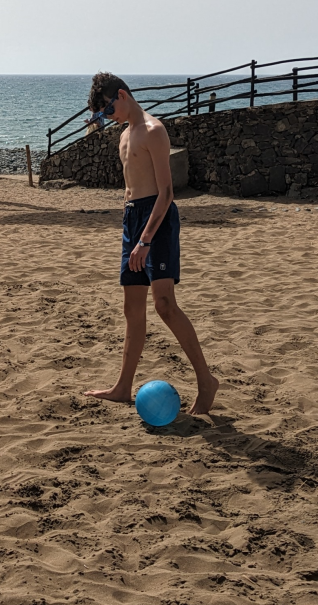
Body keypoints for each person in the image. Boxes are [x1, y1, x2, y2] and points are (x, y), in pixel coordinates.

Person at [83, 72, 219, 416]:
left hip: (156, 220)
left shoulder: (154, 130)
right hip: (132, 217)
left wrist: (145, 240)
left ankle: (206, 381)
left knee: (164, 304)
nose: (108, 116)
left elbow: (167, 192)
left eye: (108, 109)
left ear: (122, 95)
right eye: (102, 114)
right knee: (132, 309)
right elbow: (131, 186)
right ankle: (122, 387)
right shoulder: (124, 134)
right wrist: (131, 230)